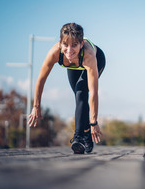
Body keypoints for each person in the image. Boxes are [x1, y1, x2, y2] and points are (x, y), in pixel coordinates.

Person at [28, 23, 106, 154]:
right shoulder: (54, 53)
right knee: (78, 96)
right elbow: (41, 80)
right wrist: (36, 106)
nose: (69, 50)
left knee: (82, 92)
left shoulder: (89, 55)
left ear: (81, 44)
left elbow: (93, 92)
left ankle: (78, 137)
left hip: (96, 61)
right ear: (60, 43)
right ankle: (86, 134)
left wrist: (94, 122)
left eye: (74, 45)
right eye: (65, 45)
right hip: (73, 66)